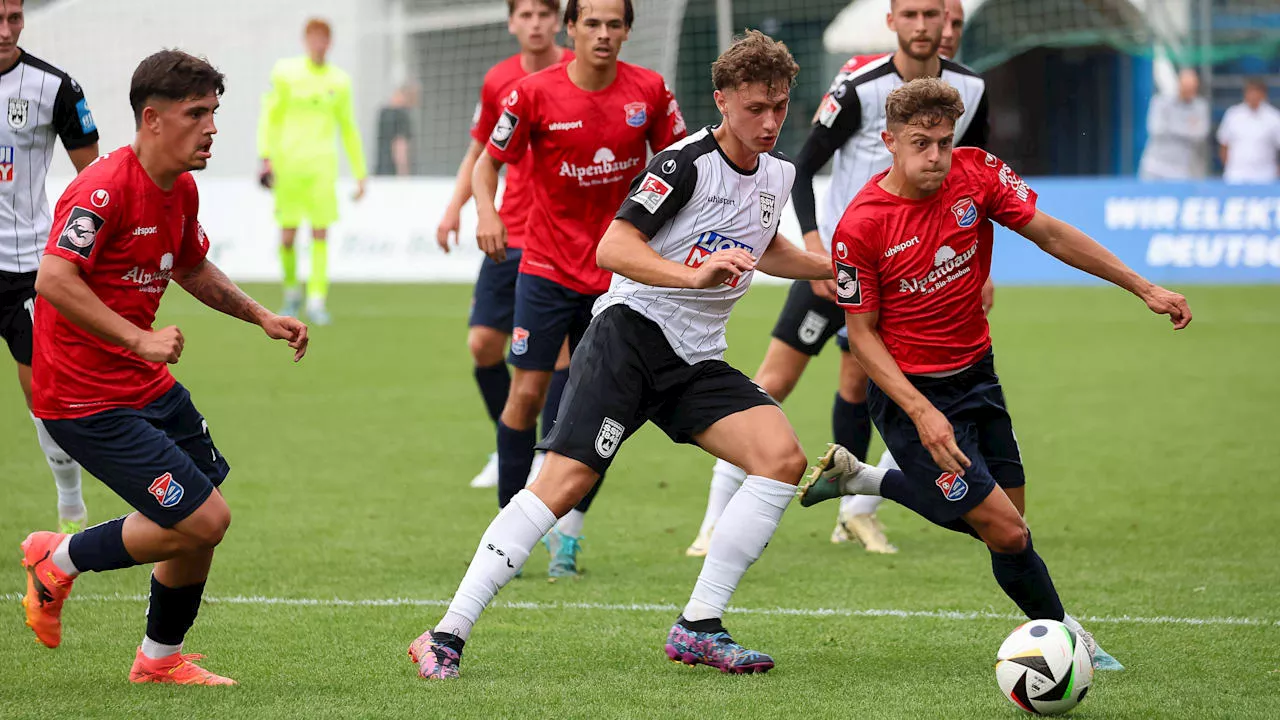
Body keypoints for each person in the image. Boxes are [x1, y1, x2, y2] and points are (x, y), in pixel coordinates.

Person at [409, 30, 826, 680]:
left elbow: (764, 245)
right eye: (755, 108)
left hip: (696, 359)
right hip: (630, 335)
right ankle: (445, 634)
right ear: (722, 100)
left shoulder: (779, 174)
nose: (770, 121)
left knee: (781, 457)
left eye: (779, 105)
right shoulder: (682, 164)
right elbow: (614, 247)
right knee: (563, 483)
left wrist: (828, 267)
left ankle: (699, 625)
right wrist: (693, 275)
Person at [802, 77, 1192, 671]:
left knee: (1010, 521)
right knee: (1007, 534)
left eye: (943, 140)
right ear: (889, 142)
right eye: (920, 143)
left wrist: (1144, 286)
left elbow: (1052, 234)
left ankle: (864, 479)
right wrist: (922, 412)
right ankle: (1069, 640)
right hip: (911, 395)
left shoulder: (978, 172)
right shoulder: (861, 226)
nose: (935, 156)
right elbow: (861, 336)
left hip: (977, 375)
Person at [19, 49, 309, 684]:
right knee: (207, 519)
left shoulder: (181, 187)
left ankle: (158, 661)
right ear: (152, 119)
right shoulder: (102, 189)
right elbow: (54, 279)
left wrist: (260, 315)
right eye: (196, 113)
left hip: (144, 385)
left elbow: (191, 266)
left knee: (197, 523)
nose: (211, 128)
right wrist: (137, 338)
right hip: (84, 397)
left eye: (214, 113)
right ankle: (57, 558)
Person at [686, 0, 989, 557]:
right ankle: (713, 521)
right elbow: (803, 165)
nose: (925, 26)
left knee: (877, 386)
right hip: (837, 260)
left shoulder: (969, 90)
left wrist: (975, 267)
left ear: (950, 23)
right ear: (893, 20)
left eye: (937, 16)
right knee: (772, 381)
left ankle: (856, 512)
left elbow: (975, 170)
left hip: (907, 272)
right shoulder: (859, 86)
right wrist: (815, 244)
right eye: (913, 14)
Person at [468, 0, 685, 578]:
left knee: (599, 409)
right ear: (573, 29)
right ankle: (504, 539)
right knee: (526, 398)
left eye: (615, 24)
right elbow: (488, 165)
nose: (604, 34)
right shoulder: (532, 93)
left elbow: (684, 165)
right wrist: (487, 213)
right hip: (544, 267)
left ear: (628, 31)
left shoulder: (651, 92)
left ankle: (569, 533)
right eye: (593, 23)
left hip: (618, 274)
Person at [436, 0, 575, 491]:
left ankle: (544, 458)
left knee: (557, 356)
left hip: (561, 237)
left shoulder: (577, 72)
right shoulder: (499, 80)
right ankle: (508, 440)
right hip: (511, 230)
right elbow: (481, 151)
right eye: (526, 15)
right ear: (512, 22)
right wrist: (458, 207)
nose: (535, 23)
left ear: (557, 21)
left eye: (544, 14)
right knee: (482, 345)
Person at [0, 0, 99, 534]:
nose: (7, 30)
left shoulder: (54, 87)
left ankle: (69, 505)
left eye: (14, 18)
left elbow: (94, 181)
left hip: (24, 269)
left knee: (43, 395)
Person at [257, 18, 368, 325]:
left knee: (321, 232)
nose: (319, 44)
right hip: (288, 166)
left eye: (324, 39)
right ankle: (292, 291)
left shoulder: (339, 81)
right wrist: (265, 156)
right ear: (306, 41)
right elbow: (270, 116)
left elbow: (348, 129)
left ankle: (317, 299)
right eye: (314, 38)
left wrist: (360, 172)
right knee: (288, 236)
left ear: (329, 43)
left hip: (322, 168)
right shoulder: (285, 73)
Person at [1139, 68, 1211, 181]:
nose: (1189, 92)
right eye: (1186, 88)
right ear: (1179, 84)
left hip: (1182, 170)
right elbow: (1156, 129)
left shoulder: (1200, 106)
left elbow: (1200, 134)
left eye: (1192, 89)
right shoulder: (1160, 101)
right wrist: (1188, 128)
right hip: (1155, 166)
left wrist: (1170, 126)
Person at [1217, 78, 1280, 184]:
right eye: (1250, 92)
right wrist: (1229, 167)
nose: (1253, 96)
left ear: (1263, 95)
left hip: (1265, 176)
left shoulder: (1274, 117)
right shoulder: (1233, 114)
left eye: (1256, 93)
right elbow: (1224, 144)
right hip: (1236, 175)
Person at [374, 82, 417, 176]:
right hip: (393, 174)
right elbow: (400, 145)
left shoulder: (383, 113)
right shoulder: (402, 115)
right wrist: (403, 173)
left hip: (380, 171)